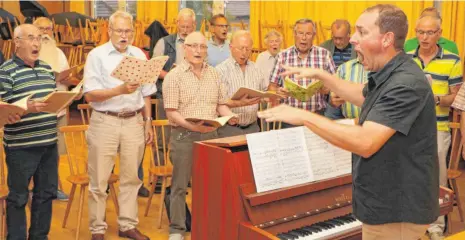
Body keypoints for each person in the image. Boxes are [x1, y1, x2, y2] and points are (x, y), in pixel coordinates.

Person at [259, 4, 439, 240]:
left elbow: (365, 142)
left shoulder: (404, 82)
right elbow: (361, 95)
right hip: (385, 203)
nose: (353, 39)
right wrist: (322, 75)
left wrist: (304, 117)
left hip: (396, 210)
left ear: (386, 39)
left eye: (362, 32)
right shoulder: (392, 72)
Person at [83, 11, 154, 240]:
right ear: (110, 31)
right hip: (105, 121)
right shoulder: (97, 55)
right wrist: (119, 90)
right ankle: (97, 229)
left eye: (128, 31)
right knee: (99, 180)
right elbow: (90, 95)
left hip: (134, 120)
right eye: (120, 31)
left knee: (131, 178)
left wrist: (148, 121)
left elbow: (147, 93)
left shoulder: (139, 55)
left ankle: (127, 225)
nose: (124, 36)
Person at [164, 32, 238, 240]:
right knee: (180, 185)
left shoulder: (214, 74)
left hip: (211, 135)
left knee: (207, 185)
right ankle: (177, 229)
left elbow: (220, 104)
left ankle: (205, 226)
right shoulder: (174, 76)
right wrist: (192, 126)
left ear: (207, 50)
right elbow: (171, 112)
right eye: (193, 46)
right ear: (184, 48)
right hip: (184, 135)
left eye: (202, 47)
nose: (198, 51)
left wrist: (229, 116)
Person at [0, 24, 58, 240]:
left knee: (46, 195)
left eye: (40, 39)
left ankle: (39, 237)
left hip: (49, 143)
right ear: (17, 42)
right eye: (31, 38)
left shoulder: (46, 69)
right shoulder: (6, 71)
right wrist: (26, 108)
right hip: (21, 148)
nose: (36, 43)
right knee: (18, 197)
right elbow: (2, 109)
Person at [407, 15, 462, 240]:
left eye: (430, 33)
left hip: (438, 127)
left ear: (439, 34)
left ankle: (436, 227)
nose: (424, 37)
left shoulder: (453, 60)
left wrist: (436, 100)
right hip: (409, 128)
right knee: (408, 176)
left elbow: (456, 98)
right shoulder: (406, 59)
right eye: (420, 32)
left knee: (437, 179)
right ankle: (412, 224)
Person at [268, 18, 336, 128]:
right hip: (289, 119)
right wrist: (278, 92)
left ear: (314, 35)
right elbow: (271, 87)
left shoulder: (324, 55)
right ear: (294, 34)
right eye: (300, 33)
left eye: (308, 34)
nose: (304, 38)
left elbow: (336, 85)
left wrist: (327, 89)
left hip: (316, 117)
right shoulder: (283, 56)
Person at [33, 16, 73, 202]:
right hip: (37, 111)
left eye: (48, 29)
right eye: (41, 29)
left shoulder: (58, 53)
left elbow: (66, 78)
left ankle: (53, 186)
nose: (45, 33)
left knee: (55, 152)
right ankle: (37, 188)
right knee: (37, 151)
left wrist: (71, 79)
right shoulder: (29, 54)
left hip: (58, 110)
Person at [151, 8, 196, 174]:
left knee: (186, 139)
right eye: (182, 26)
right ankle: (159, 176)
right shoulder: (164, 42)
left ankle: (183, 176)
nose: (184, 31)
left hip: (190, 98)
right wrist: (171, 75)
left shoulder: (198, 44)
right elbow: (154, 69)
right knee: (163, 138)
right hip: (166, 96)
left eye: (188, 27)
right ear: (177, 24)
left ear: (194, 25)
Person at [216, 30, 268, 137]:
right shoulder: (220, 70)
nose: (244, 52)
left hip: (253, 127)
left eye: (248, 49)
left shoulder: (257, 69)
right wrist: (239, 104)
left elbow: (264, 93)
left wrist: (270, 96)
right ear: (230, 47)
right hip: (229, 129)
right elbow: (216, 102)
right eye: (240, 48)